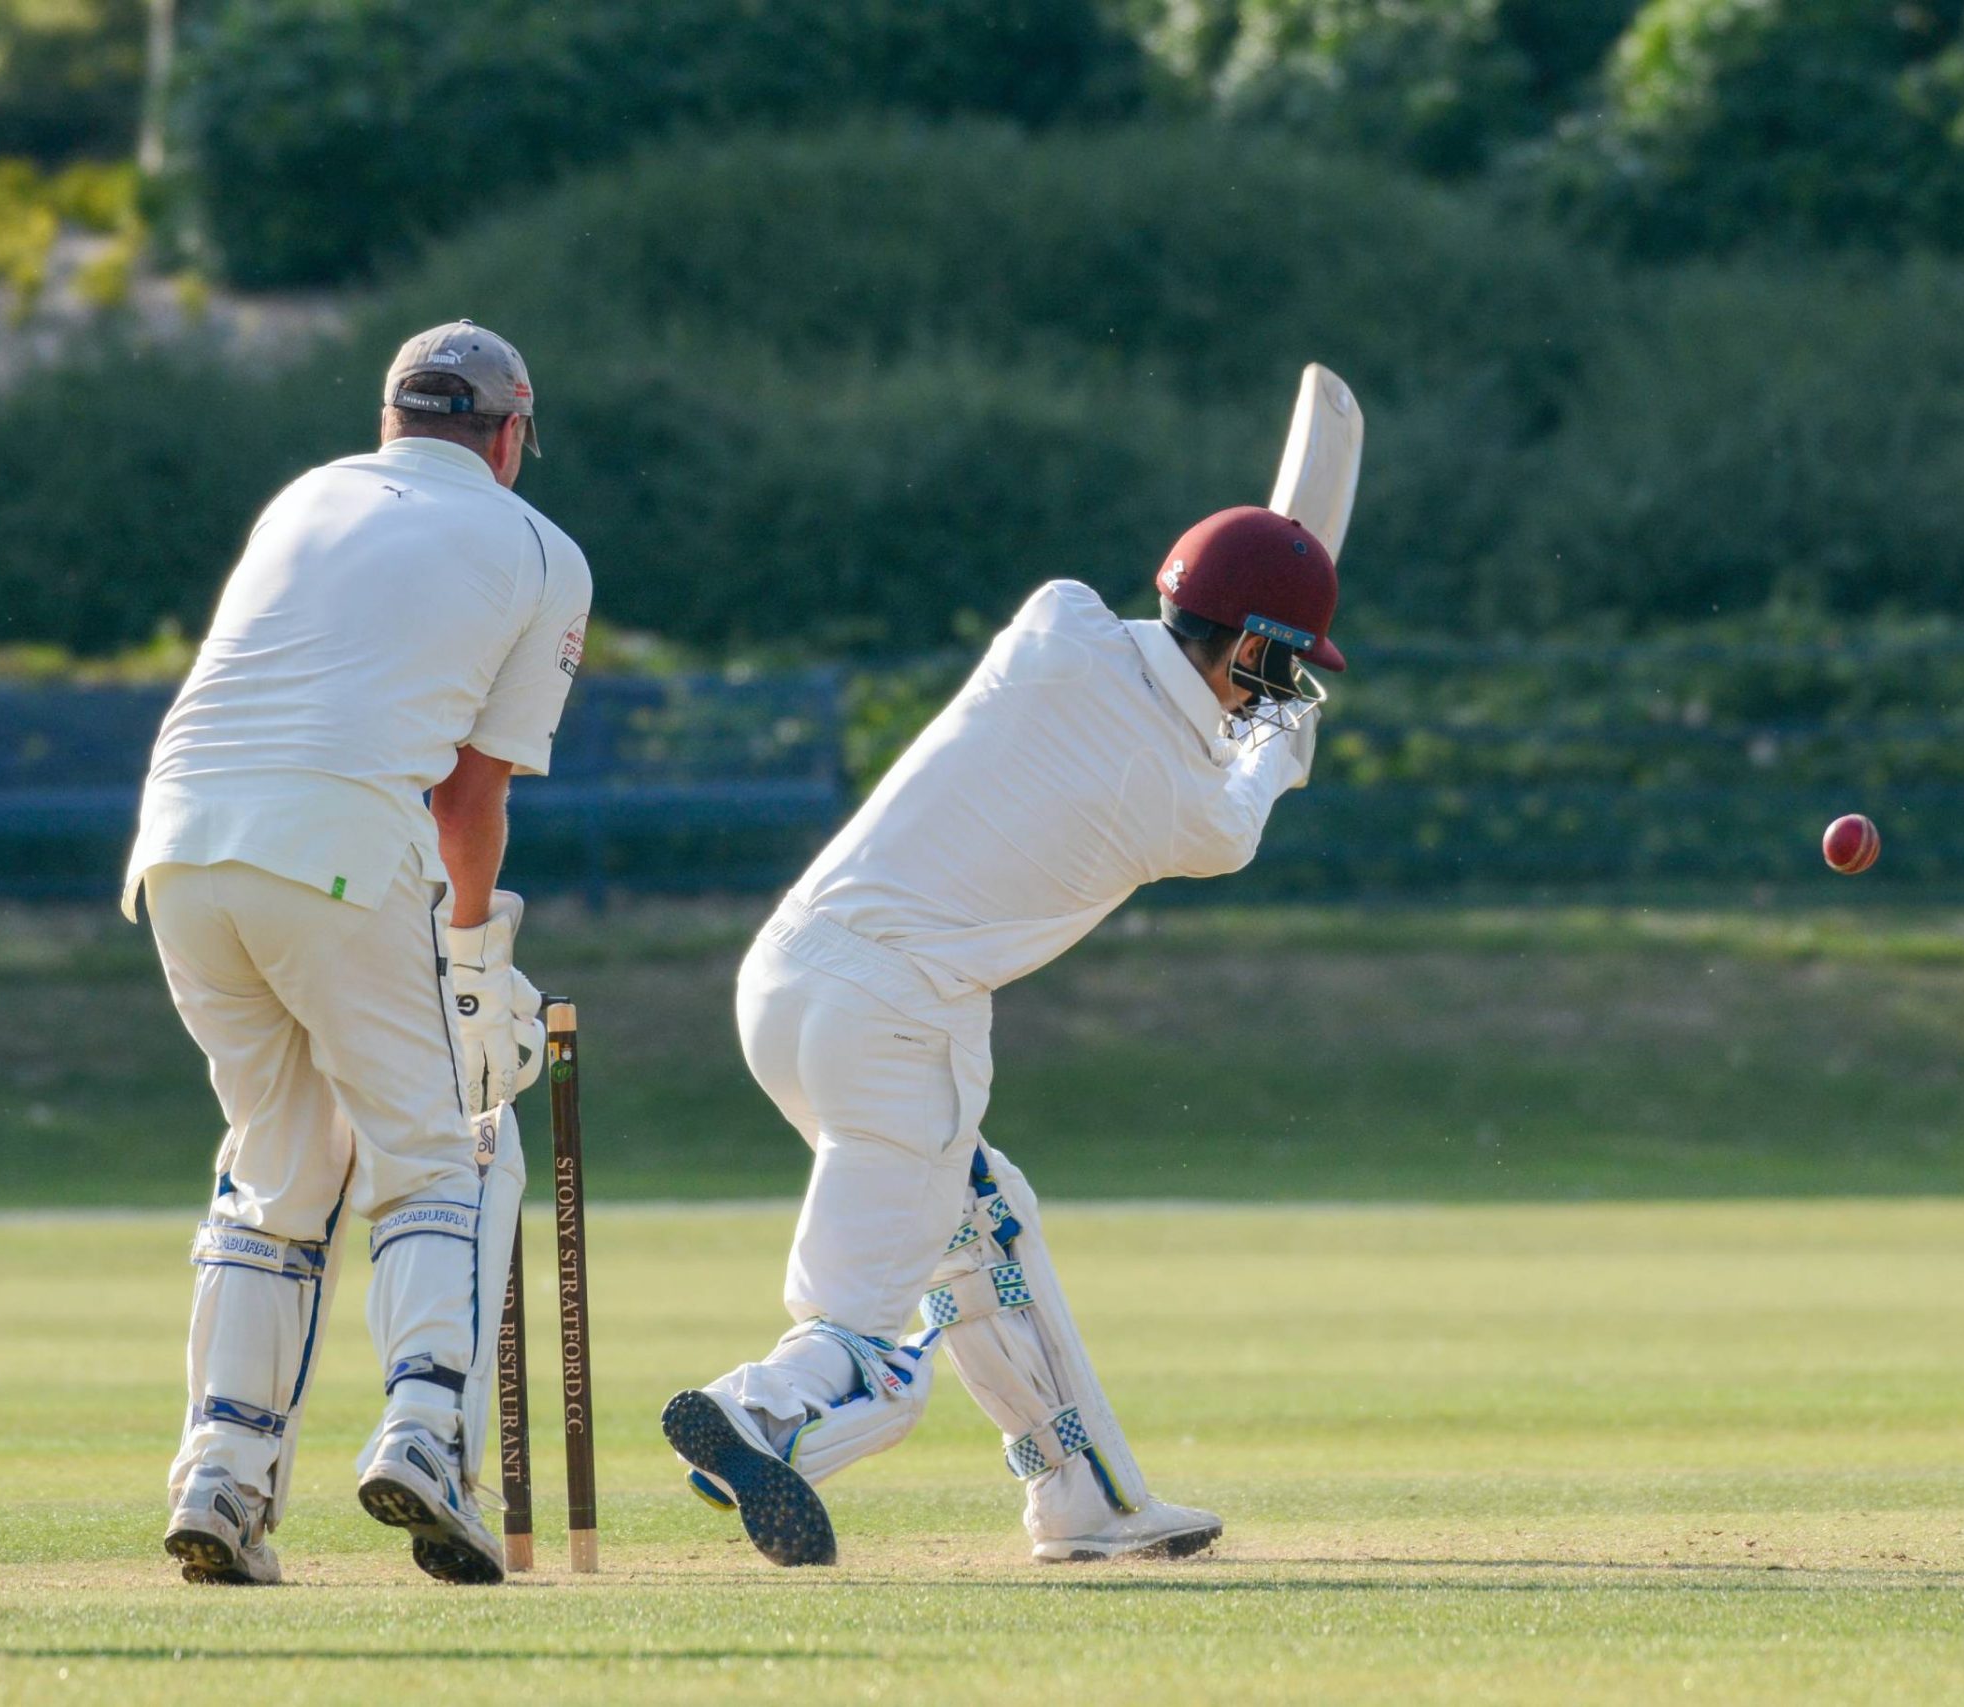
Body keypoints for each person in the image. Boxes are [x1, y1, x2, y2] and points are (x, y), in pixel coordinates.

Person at [663, 505, 1342, 1566]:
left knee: (987, 1229)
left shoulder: (1055, 619)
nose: (1270, 694)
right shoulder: (1186, 808)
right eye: (1270, 669)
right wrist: (1277, 747)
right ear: (1252, 646)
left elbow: (1138, 679)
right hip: (898, 1019)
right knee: (868, 1325)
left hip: (783, 979)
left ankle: (1083, 1499)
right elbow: (1232, 817)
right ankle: (765, 1412)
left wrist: (1232, 689)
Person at [125, 321, 590, 1586]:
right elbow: (470, 795)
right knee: (438, 1151)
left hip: (176, 847)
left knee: (277, 1168)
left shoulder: (303, 497)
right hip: (333, 846)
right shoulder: (537, 547)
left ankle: (221, 1479)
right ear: (509, 434)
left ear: (393, 420)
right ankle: (426, 1432)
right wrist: (475, 956)